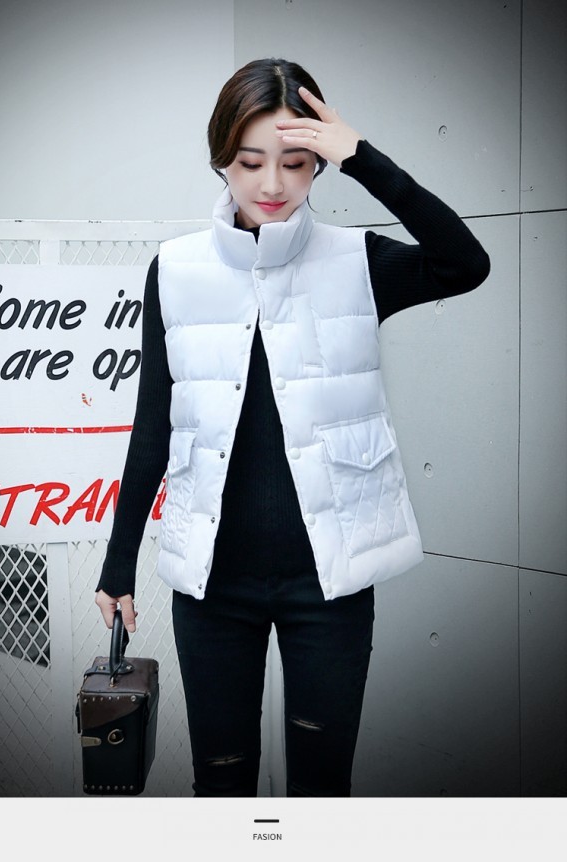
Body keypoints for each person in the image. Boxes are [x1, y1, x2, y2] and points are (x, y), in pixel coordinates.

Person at [95, 58, 490, 797]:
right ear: (222, 158)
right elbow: (153, 425)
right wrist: (118, 566)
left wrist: (362, 157)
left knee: (321, 791)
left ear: (320, 163)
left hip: (329, 582)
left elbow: (465, 263)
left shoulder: (357, 261)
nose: (272, 184)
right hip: (212, 587)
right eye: (250, 162)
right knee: (221, 785)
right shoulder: (174, 269)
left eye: (297, 162)